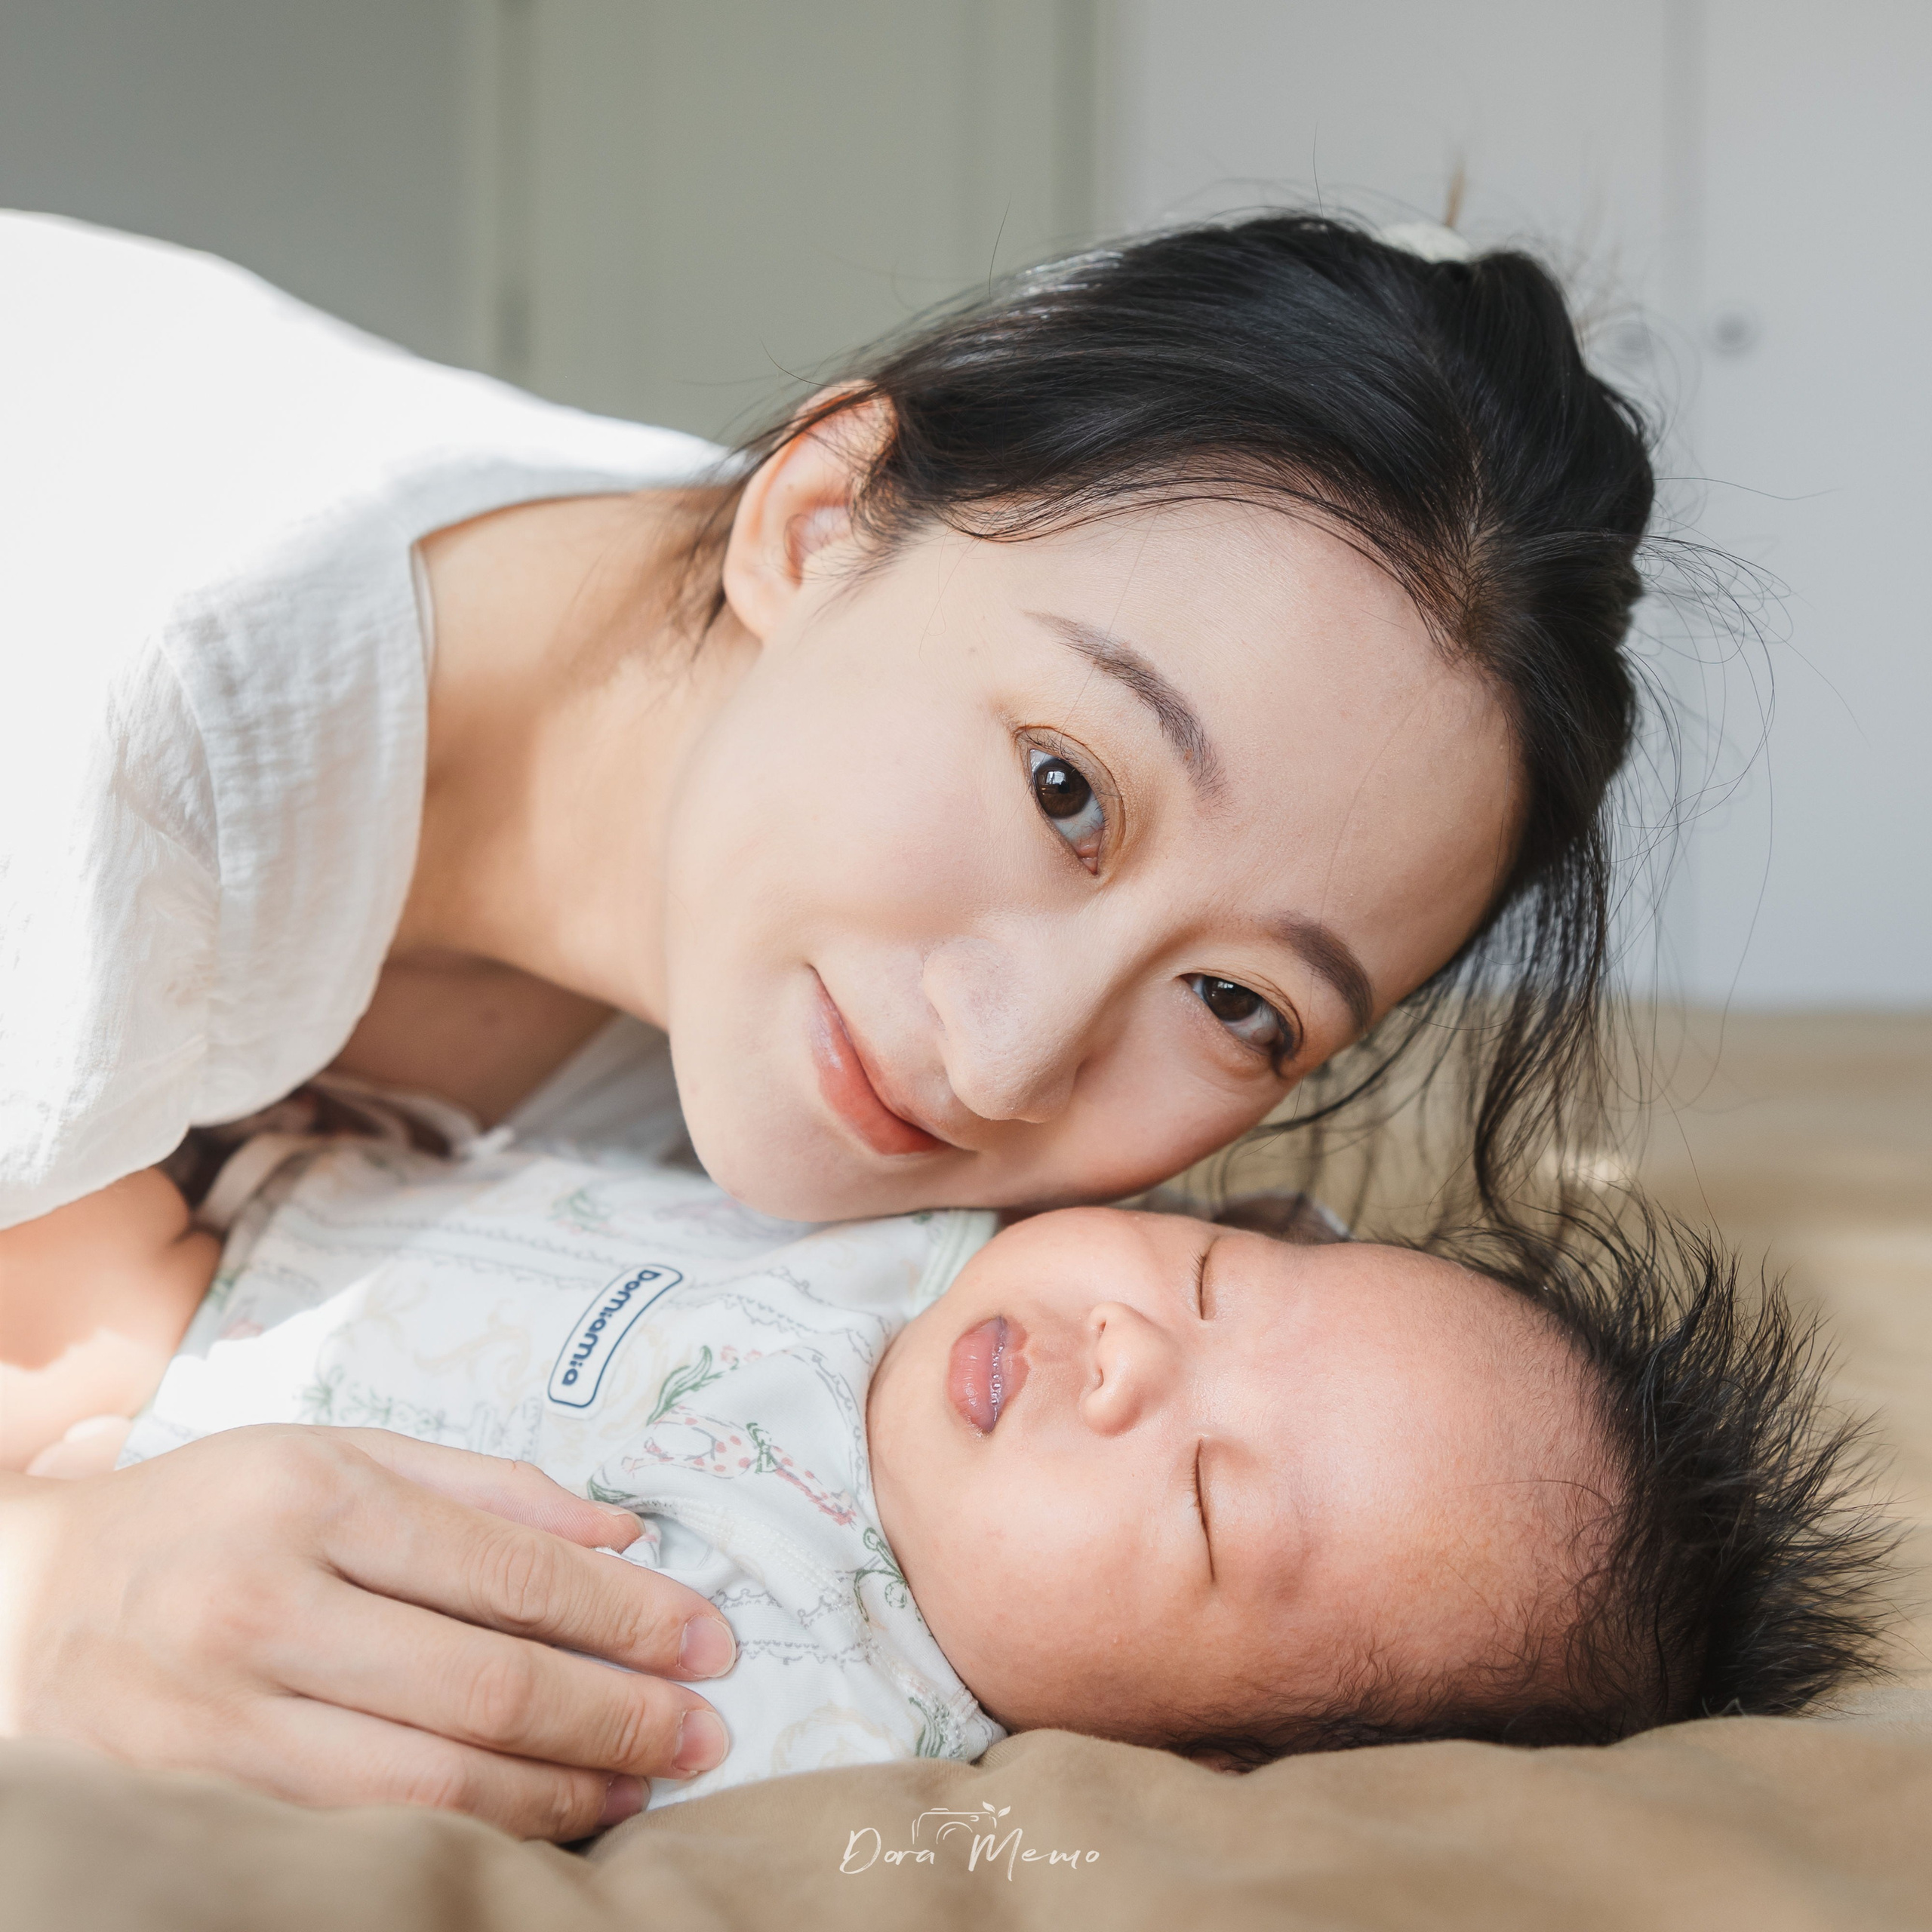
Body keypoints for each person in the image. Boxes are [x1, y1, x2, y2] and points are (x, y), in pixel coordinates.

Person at [0, 207, 1656, 1826]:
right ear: (814, 518)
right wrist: (43, 1599)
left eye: (1237, 1002)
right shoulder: (101, 763)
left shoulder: (811, 1119)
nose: (1005, 1066)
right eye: (1064, 786)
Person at [14, 1128, 1894, 1829]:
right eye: (1217, 1281)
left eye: (1209, 1504)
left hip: (141, 1407)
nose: (1127, 1353)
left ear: (1200, 1755)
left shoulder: (817, 1704)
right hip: (235, 1167)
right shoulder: (938, 1224)